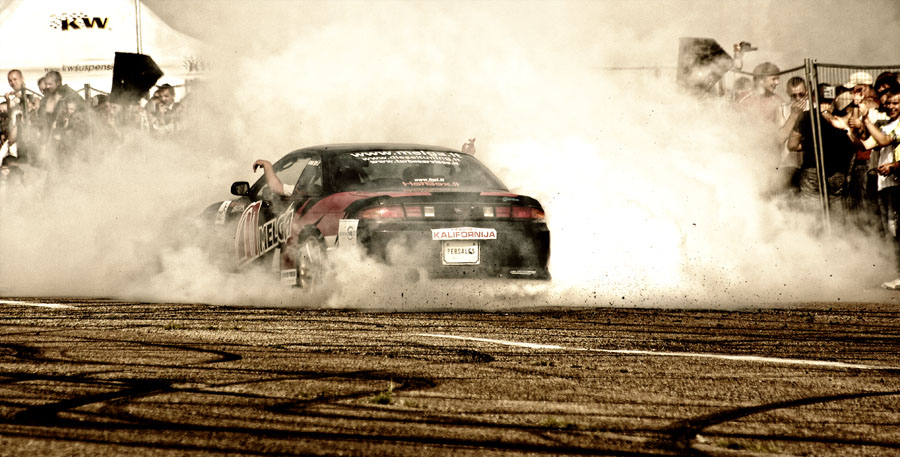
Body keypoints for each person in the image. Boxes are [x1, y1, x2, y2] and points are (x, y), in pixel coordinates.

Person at [858, 87, 900, 288]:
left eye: (896, 103)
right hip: (886, 184)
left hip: (896, 183)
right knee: (892, 230)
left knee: (896, 229)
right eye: (888, 103)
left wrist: (866, 120)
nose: (891, 106)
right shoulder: (888, 125)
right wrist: (847, 128)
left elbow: (884, 140)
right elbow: (865, 145)